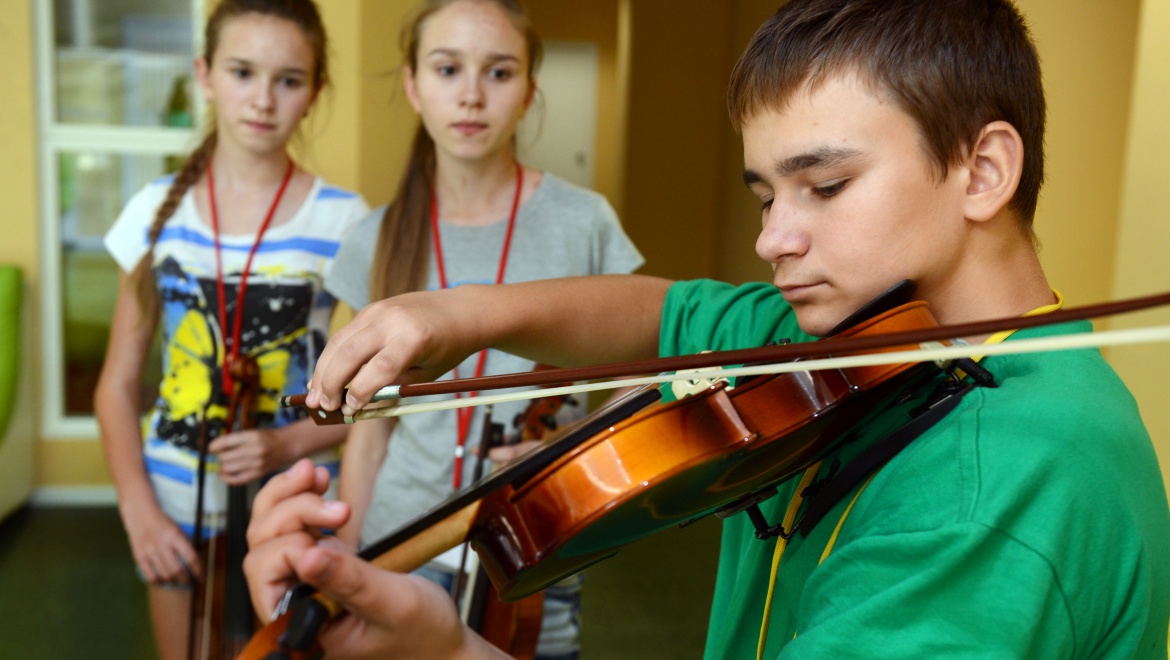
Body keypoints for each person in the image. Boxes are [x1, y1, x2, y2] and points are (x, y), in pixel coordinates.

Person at [242, 0, 1170, 657]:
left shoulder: (995, 493)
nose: (774, 238)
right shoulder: (847, 341)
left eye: (827, 186)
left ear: (981, 172)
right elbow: (661, 311)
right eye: (766, 194)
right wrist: (453, 313)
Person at [325, 1, 642, 657]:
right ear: (414, 84)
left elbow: (644, 373)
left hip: (537, 535)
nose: (471, 95)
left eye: (499, 73)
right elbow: (369, 428)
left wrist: (566, 449)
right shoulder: (376, 236)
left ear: (529, 91)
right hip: (404, 537)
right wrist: (351, 555)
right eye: (448, 70)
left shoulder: (585, 223)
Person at [93, 1, 369, 658]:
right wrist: (139, 513)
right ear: (205, 75)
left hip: (297, 494)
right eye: (242, 72)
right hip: (172, 501)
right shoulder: (153, 211)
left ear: (315, 93)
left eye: (289, 80)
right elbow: (117, 385)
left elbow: (367, 401)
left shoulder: (345, 220)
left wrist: (286, 442)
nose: (263, 100)